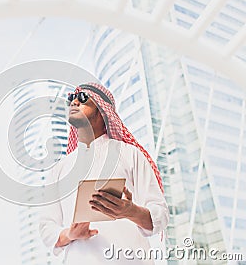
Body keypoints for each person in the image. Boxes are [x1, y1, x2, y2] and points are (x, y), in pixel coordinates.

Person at [39, 83, 169, 264]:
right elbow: (46, 227)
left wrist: (130, 211)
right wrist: (70, 234)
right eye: (71, 98)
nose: (74, 102)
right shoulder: (60, 169)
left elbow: (160, 215)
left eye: (83, 98)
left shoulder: (130, 154)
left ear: (102, 110)